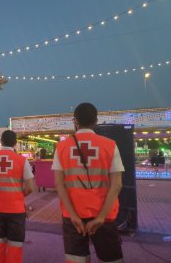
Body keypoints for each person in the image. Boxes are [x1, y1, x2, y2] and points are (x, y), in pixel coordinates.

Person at [52, 102, 124, 263]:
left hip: (73, 218)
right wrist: (101, 217)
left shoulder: (61, 147)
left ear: (74, 121)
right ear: (96, 121)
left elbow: (59, 184)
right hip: (104, 217)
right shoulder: (110, 145)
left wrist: (73, 215)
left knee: (76, 259)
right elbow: (117, 184)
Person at [0, 130, 34, 263]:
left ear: (1, 142)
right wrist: (19, 195)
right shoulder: (22, 161)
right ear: (15, 143)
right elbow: (30, 187)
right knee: (15, 246)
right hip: (16, 211)